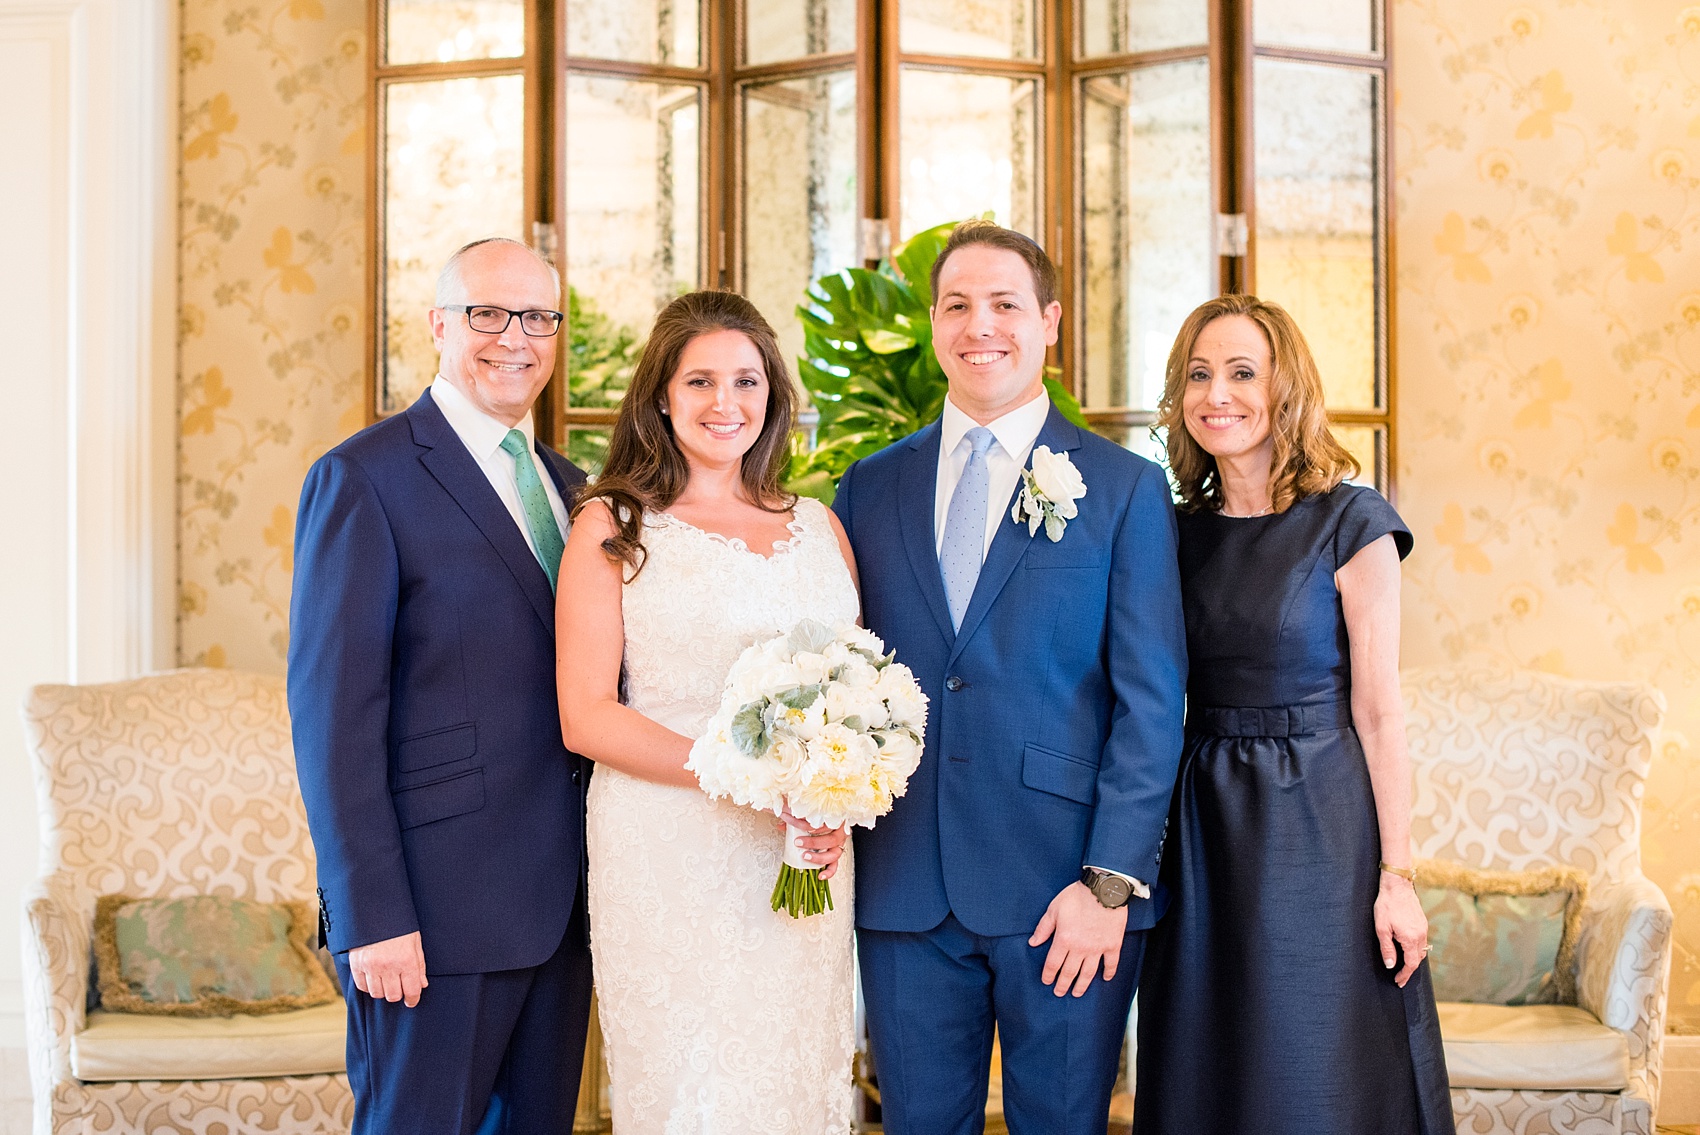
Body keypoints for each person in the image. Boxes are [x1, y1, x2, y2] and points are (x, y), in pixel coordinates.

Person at [831, 220, 1188, 1134]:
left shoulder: (1121, 487)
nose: (978, 325)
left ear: (1050, 321)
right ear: (934, 322)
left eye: (1004, 304)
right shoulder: (868, 487)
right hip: (908, 885)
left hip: (1064, 890)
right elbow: (845, 671)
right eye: (957, 305)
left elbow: (1152, 703)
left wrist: (1109, 883)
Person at [288, 237, 593, 1134]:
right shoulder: (363, 477)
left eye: (538, 317)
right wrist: (370, 913)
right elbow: (333, 717)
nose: (515, 338)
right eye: (486, 314)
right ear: (437, 325)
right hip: (429, 914)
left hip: (560, 906)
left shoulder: (571, 485)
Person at [1131, 294, 1453, 1135]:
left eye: (1243, 371)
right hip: (1202, 826)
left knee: (1319, 1066)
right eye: (1199, 374)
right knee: (1209, 1060)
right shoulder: (1171, 531)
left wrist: (1399, 878)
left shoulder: (1352, 521)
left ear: (1287, 388)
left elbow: (1381, 712)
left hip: (1320, 825)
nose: (1217, 393)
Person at [555, 290, 857, 1133]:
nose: (726, 403)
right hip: (670, 850)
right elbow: (586, 716)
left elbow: (855, 691)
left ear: (772, 394)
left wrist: (835, 799)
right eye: (700, 382)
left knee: (796, 1081)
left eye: (746, 381)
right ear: (661, 394)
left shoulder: (820, 525)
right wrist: (759, 781)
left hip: (803, 852)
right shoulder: (613, 523)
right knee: (698, 1092)